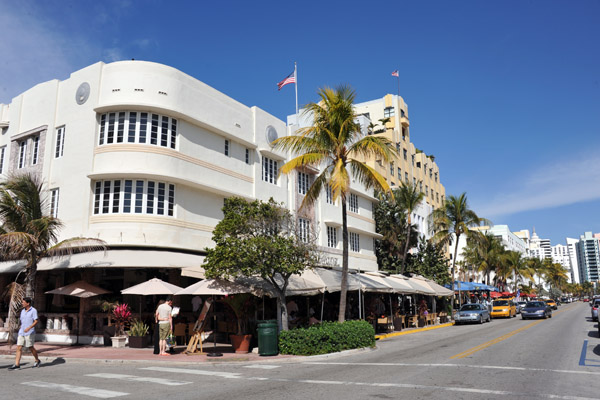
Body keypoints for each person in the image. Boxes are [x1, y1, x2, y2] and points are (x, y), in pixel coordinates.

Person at [9, 297, 41, 370]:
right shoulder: (22, 311)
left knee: (30, 347)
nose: (22, 303)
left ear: (28, 303)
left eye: (23, 302)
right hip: (21, 332)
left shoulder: (33, 310)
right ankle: (17, 364)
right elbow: (21, 321)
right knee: (19, 347)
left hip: (30, 332)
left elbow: (36, 321)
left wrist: (29, 328)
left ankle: (37, 360)